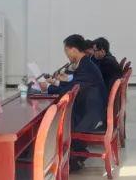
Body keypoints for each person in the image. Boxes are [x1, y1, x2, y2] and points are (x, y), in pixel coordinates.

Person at [39, 35, 107, 171]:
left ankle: (66, 158)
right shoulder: (85, 64)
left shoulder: (86, 67)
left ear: (74, 50)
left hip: (91, 115)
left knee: (58, 120)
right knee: (61, 113)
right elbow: (74, 84)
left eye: (67, 51)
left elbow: (71, 90)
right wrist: (55, 84)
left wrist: (48, 88)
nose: (67, 55)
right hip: (89, 107)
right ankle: (73, 156)